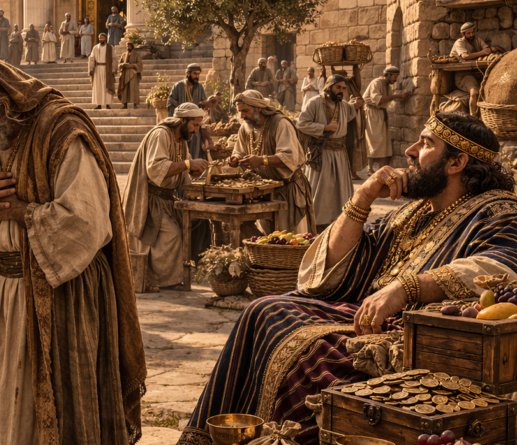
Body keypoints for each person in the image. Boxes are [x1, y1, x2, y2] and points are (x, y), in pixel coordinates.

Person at [177, 112, 517, 445]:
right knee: (265, 310)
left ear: (456, 163)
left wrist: (407, 288)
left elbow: (501, 266)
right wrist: (362, 197)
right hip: (364, 317)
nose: (410, 151)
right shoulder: (414, 210)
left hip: (421, 339)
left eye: (425, 144)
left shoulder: (498, 210)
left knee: (302, 341)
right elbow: (330, 271)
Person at [0, 54, 147, 445]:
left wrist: (23, 212)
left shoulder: (59, 129)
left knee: (60, 403)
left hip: (64, 296)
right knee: (2, 395)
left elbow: (88, 220)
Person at [122, 103, 209, 292]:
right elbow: (155, 169)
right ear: (183, 120)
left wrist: (195, 170)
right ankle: (149, 279)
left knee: (188, 230)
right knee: (171, 236)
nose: (197, 129)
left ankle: (166, 279)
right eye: (195, 125)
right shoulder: (160, 134)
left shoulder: (182, 140)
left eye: (199, 125)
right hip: (149, 198)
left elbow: (183, 170)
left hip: (167, 199)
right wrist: (188, 164)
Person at [227, 90, 315, 234]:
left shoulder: (280, 124)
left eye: (246, 111)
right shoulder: (246, 127)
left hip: (288, 191)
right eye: (239, 111)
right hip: (266, 192)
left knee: (290, 239)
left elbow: (289, 157)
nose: (242, 116)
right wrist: (235, 159)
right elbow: (239, 151)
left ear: (259, 108)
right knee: (268, 239)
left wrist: (262, 160)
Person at [297, 74, 364, 232]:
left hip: (340, 155)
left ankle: (338, 225)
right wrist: (324, 128)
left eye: (343, 88)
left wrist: (357, 104)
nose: (341, 91)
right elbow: (301, 123)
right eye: (338, 87)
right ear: (329, 86)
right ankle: (317, 226)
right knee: (320, 193)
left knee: (340, 192)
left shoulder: (344, 105)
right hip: (321, 155)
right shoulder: (314, 103)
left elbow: (351, 110)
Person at [364, 66, 412, 176]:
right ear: (388, 75)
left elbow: (388, 98)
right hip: (373, 114)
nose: (395, 79)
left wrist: (400, 97)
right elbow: (378, 99)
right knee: (373, 141)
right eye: (394, 77)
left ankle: (380, 170)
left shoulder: (387, 85)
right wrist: (398, 96)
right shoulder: (377, 82)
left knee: (385, 143)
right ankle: (370, 169)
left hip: (381, 114)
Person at [449, 22, 504, 115]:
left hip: (476, 73)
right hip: (463, 75)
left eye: (472, 32)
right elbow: (465, 56)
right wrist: (482, 53)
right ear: (464, 34)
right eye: (468, 33)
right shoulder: (459, 42)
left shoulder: (477, 40)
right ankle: (472, 118)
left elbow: (486, 49)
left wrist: (493, 49)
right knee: (474, 92)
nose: (471, 35)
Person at [167, 64, 208, 160]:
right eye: (195, 74)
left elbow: (203, 103)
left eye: (198, 74)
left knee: (195, 148)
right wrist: (176, 121)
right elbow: (171, 103)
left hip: (194, 125)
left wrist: (209, 103)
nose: (197, 76)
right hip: (182, 124)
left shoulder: (199, 87)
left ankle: (194, 168)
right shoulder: (178, 86)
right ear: (188, 73)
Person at [89, 33, 117, 110]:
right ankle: (99, 104)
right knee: (98, 87)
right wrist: (91, 68)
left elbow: (115, 59)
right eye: (99, 38)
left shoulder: (110, 48)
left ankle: (107, 104)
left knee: (106, 86)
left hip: (107, 69)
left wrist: (113, 69)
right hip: (97, 69)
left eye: (102, 38)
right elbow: (91, 58)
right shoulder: (95, 48)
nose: (101, 40)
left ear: (105, 39)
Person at [118, 42, 143, 109]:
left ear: (132, 46)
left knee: (133, 88)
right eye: (127, 46)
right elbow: (119, 64)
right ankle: (125, 104)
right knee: (125, 89)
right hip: (125, 73)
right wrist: (123, 65)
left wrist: (132, 65)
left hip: (133, 73)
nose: (128, 47)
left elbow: (139, 64)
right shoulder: (123, 55)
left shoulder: (136, 55)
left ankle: (135, 104)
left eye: (129, 46)